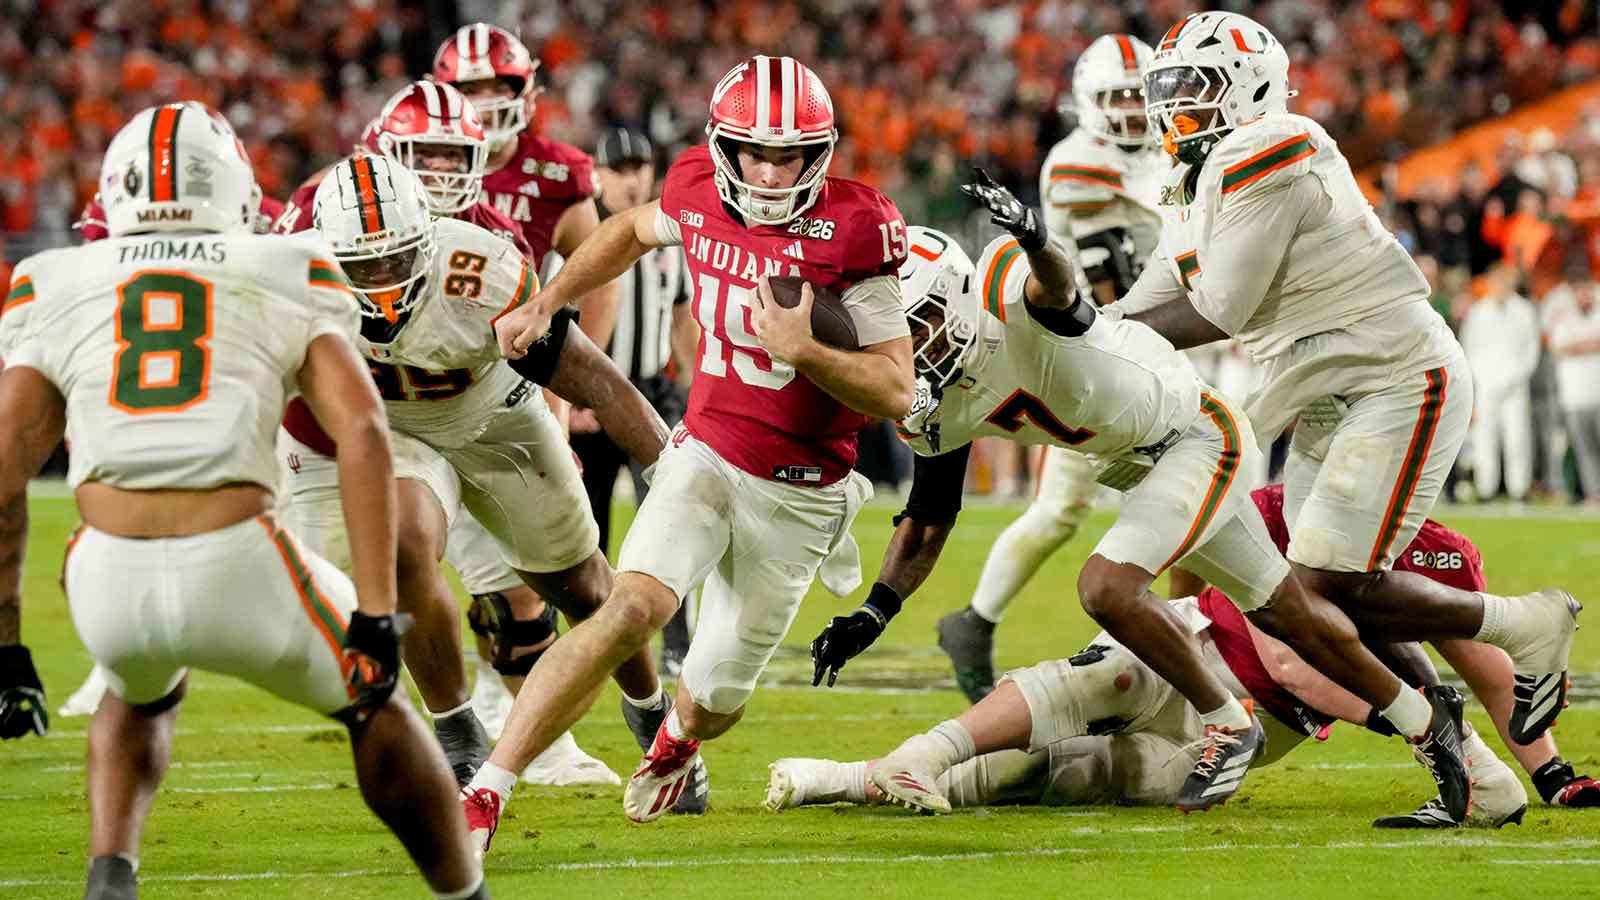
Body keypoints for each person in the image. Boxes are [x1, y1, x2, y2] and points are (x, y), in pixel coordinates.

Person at [0, 103, 488, 899]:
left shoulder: (51, 280)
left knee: (136, 685)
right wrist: (374, 612)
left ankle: (109, 876)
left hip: (104, 575)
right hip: (235, 554)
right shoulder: (285, 264)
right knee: (377, 703)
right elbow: (362, 430)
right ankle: (467, 894)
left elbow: (3, 469)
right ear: (232, 187)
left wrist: (7, 647)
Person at [847, 217, 1469, 820]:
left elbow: (1059, 290)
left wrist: (1037, 241)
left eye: (919, 323)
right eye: (896, 335)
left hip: (1198, 435)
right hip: (1146, 463)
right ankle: (1428, 725)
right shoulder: (928, 405)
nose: (909, 347)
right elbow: (928, 517)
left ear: (954, 295)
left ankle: (1228, 722)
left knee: (1105, 587)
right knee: (1290, 614)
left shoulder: (1002, 293)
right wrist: (878, 606)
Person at [1118, 13, 1578, 804]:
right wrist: (1082, 334)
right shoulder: (1194, 178)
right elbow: (1149, 302)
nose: (1178, 102)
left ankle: (1522, 624)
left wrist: (1101, 337)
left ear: (1252, 83)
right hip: (1329, 393)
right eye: (1169, 88)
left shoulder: (1272, 143)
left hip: (1397, 377)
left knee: (1327, 583)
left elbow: (1220, 308)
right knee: (1322, 597)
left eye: (1195, 84)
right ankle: (1475, 769)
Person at [462, 54, 914, 842]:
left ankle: (677, 739)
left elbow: (895, 391)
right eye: (756, 151)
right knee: (631, 607)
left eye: (793, 153)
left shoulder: (857, 226)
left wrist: (806, 351)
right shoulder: (695, 186)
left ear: (822, 151)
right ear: (722, 145)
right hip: (704, 450)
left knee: (713, 697)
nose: (772, 172)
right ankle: (486, 792)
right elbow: (628, 232)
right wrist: (550, 300)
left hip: (804, 489)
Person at [276, 80, 629, 787]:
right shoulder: (312, 225)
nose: (439, 172)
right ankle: (457, 720)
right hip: (365, 427)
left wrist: (553, 427)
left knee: (525, 592)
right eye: (425, 155)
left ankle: (526, 733)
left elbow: (548, 352)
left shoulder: (488, 238)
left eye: (453, 155)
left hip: (482, 415)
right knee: (344, 601)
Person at [570, 127, 699, 674]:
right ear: (597, 175)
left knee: (669, 514)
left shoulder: (668, 235)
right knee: (586, 525)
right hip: (593, 392)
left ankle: (676, 640)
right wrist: (568, 394)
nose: (631, 178)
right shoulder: (580, 231)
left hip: (650, 391)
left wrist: (698, 389)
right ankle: (589, 640)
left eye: (639, 167)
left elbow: (680, 316)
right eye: (619, 169)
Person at [433, 22, 620, 353]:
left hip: (520, 357)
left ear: (527, 92)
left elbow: (600, 283)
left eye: (499, 86)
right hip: (432, 347)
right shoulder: (417, 162)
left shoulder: (555, 174)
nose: (485, 103)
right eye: (471, 89)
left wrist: (576, 380)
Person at [1458, 265, 1540, 501]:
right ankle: (1486, 488)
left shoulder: (1524, 311)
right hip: (1486, 384)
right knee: (1485, 436)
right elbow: (1469, 347)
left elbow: (1531, 351)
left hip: (1515, 385)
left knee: (1517, 437)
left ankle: (1518, 488)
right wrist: (1481, 377)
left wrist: (1516, 376)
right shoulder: (1478, 312)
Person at [1542, 275, 1600, 502]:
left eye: (1588, 290)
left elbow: (1569, 347)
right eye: (1580, 291)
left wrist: (1576, 346)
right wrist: (1591, 344)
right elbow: (1558, 348)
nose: (1584, 295)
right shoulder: (1564, 319)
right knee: (1585, 450)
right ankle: (1594, 493)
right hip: (1574, 397)